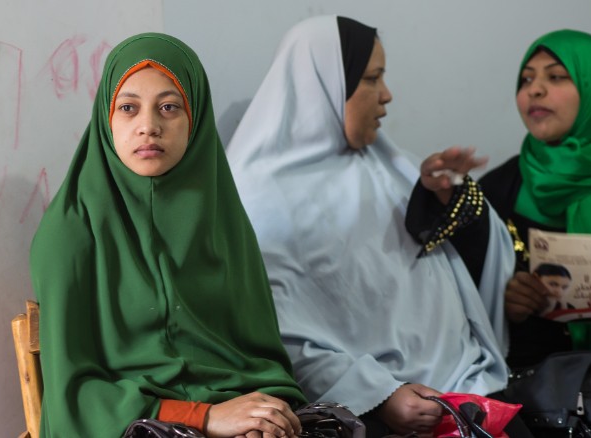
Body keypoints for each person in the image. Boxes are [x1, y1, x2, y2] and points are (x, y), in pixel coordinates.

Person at [226, 15, 529, 437]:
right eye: (371, 79)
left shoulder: (389, 166)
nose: (386, 95)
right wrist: (381, 395)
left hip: (468, 394)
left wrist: (446, 197)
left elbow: (456, 260)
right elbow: (276, 335)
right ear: (324, 86)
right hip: (363, 414)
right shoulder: (256, 199)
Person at [29, 32, 307, 438]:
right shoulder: (71, 231)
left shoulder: (223, 221)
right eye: (128, 108)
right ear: (105, 119)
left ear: (195, 118)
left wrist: (263, 415)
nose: (148, 127)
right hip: (133, 427)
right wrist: (205, 418)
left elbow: (264, 363)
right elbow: (72, 395)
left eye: (169, 107)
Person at [479, 29, 591, 366]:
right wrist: (501, 303)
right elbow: (459, 307)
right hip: (533, 395)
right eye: (525, 80)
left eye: (556, 76)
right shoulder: (496, 190)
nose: (534, 90)